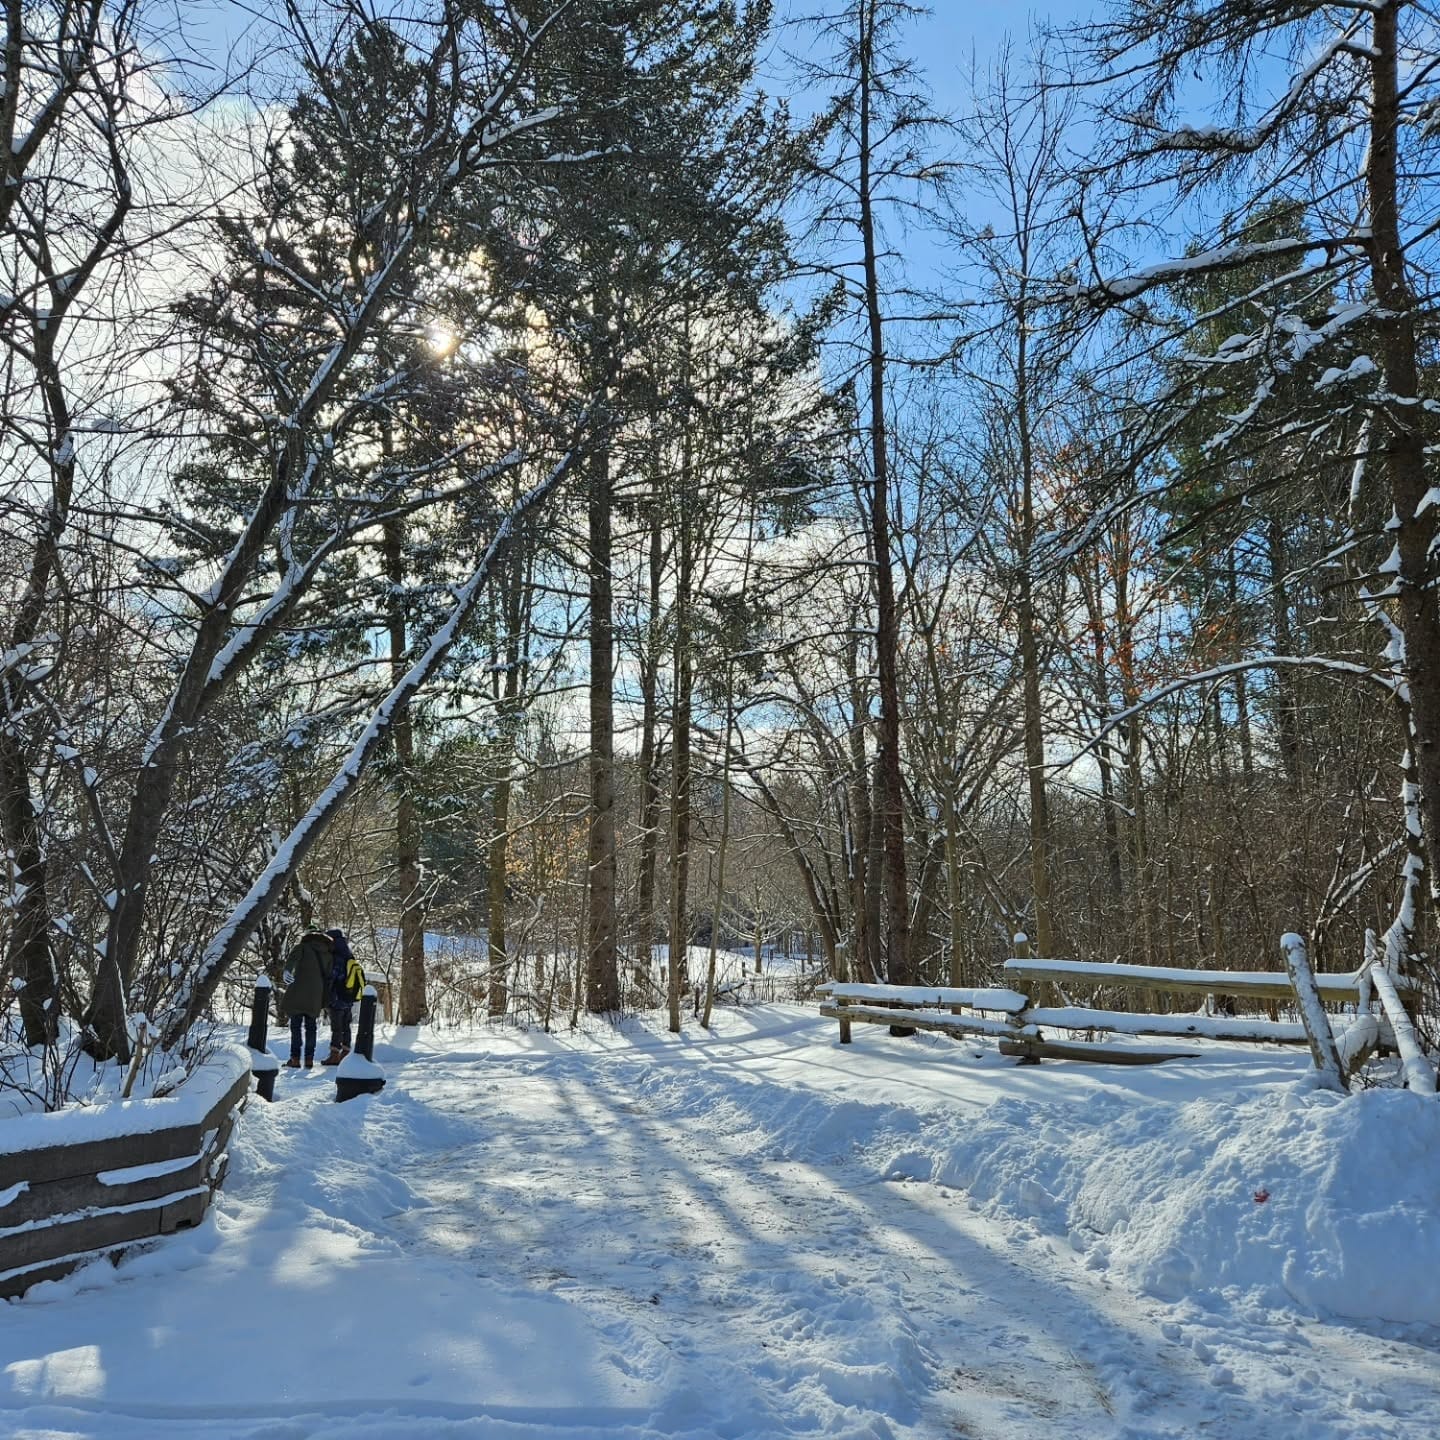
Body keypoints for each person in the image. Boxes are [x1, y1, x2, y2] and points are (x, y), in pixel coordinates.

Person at [280, 929, 333, 1069]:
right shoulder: (327, 953)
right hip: (316, 994)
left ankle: (295, 1059)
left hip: (299, 990)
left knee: (296, 1027)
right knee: (311, 1028)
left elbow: (292, 960)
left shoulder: (302, 947)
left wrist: (287, 971)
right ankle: (309, 1059)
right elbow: (328, 974)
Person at [321, 927, 357, 1066]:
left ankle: (335, 1054)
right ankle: (346, 1053)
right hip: (348, 996)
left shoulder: (336, 956)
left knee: (336, 1027)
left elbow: (333, 977)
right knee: (346, 1025)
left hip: (337, 997)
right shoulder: (348, 954)